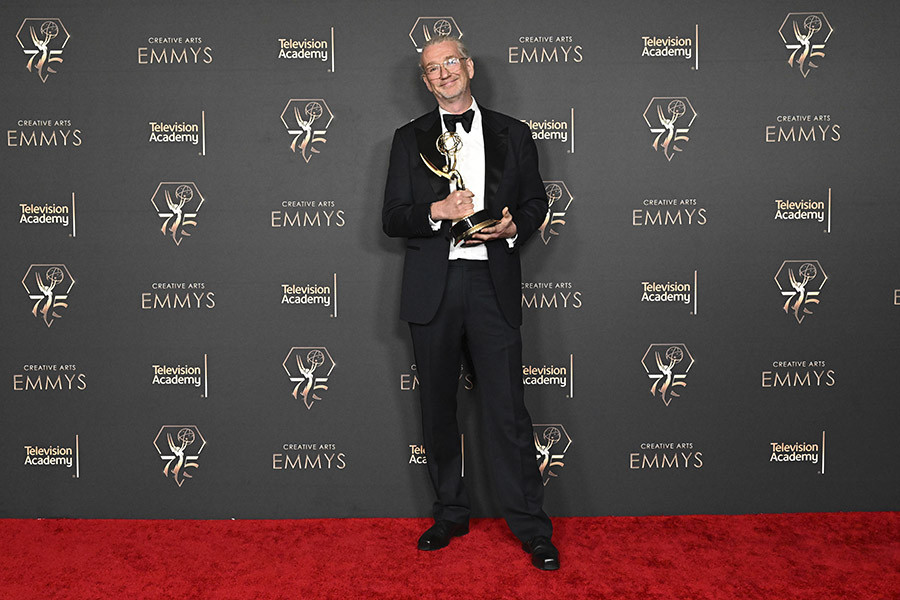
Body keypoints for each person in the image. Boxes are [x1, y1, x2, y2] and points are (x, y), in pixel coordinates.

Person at [382, 35, 559, 571]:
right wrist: (434, 209)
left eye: (450, 62)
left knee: (508, 412)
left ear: (470, 68)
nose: (443, 74)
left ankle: (531, 528)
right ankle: (450, 514)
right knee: (437, 409)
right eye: (431, 68)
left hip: (491, 286)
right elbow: (392, 217)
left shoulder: (514, 132)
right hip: (433, 288)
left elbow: (536, 204)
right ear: (425, 80)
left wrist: (513, 227)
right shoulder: (407, 138)